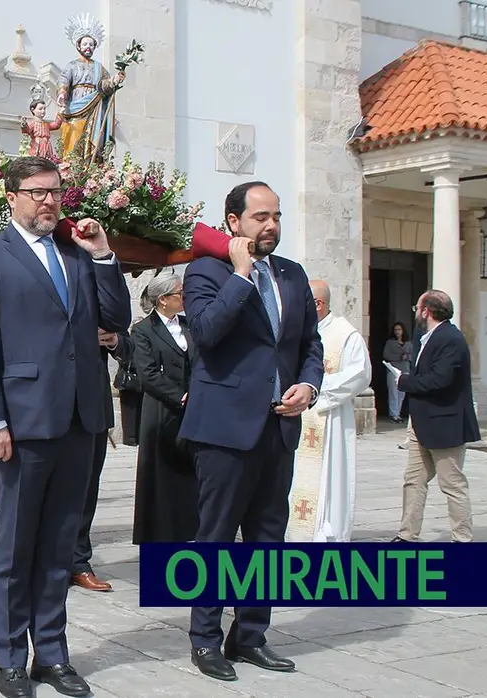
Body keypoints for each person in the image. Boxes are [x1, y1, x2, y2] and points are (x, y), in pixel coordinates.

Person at [0, 156, 130, 698]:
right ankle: (9, 656)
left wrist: (103, 256)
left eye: (55, 191)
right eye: (37, 192)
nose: (49, 201)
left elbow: (116, 319)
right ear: (12, 197)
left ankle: (51, 653)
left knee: (59, 547)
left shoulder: (78, 254)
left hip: (80, 420)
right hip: (21, 424)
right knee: (15, 549)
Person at [178, 181, 323, 682]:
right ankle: (204, 640)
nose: (271, 225)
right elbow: (206, 334)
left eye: (277, 216)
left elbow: (309, 343)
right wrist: (240, 275)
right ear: (233, 221)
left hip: (279, 426)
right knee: (215, 538)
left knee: (268, 538)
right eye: (260, 216)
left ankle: (251, 635)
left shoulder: (292, 275)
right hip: (224, 429)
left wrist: (309, 384)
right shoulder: (204, 271)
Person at [390, 290, 479, 543]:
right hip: (421, 423)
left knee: (452, 485)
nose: (415, 312)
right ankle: (407, 535)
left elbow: (441, 379)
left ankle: (462, 540)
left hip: (445, 424)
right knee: (413, 480)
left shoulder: (451, 339)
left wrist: (404, 382)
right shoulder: (424, 336)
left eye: (416, 308)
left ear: (426, 311)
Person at [285, 281, 371, 543]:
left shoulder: (346, 335)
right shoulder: (300, 332)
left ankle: (326, 533)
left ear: (318, 305)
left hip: (328, 419)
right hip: (296, 417)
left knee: (328, 480)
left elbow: (360, 375)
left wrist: (314, 391)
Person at [130, 273, 199, 544]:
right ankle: (159, 534)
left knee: (188, 472)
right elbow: (147, 373)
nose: (184, 297)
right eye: (179, 293)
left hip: (192, 408)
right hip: (161, 409)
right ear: (163, 300)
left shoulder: (189, 325)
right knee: (160, 473)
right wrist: (180, 395)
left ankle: (190, 529)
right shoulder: (144, 330)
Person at [71, 324, 133, 593]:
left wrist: (114, 339)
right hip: (43, 403)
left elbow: (128, 344)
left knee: (86, 490)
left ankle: (78, 562)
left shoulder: (93, 289)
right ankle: (44, 563)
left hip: (92, 404)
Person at [58, 14, 125, 162]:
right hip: (75, 108)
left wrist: (115, 80)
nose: (88, 47)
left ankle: (87, 167)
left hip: (94, 109)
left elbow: (104, 85)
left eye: (91, 44)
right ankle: (69, 167)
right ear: (78, 45)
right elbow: (64, 81)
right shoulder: (72, 65)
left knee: (92, 141)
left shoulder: (99, 67)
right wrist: (62, 93)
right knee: (73, 138)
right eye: (85, 44)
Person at [382, 322, 411, 422]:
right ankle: (393, 414)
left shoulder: (408, 343)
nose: (397, 332)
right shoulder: (390, 343)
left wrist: (407, 357)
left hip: (405, 369)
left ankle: (398, 413)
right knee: (393, 392)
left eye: (399, 329)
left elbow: (413, 355)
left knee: (402, 393)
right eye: (395, 330)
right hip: (393, 369)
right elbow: (386, 355)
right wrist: (399, 357)